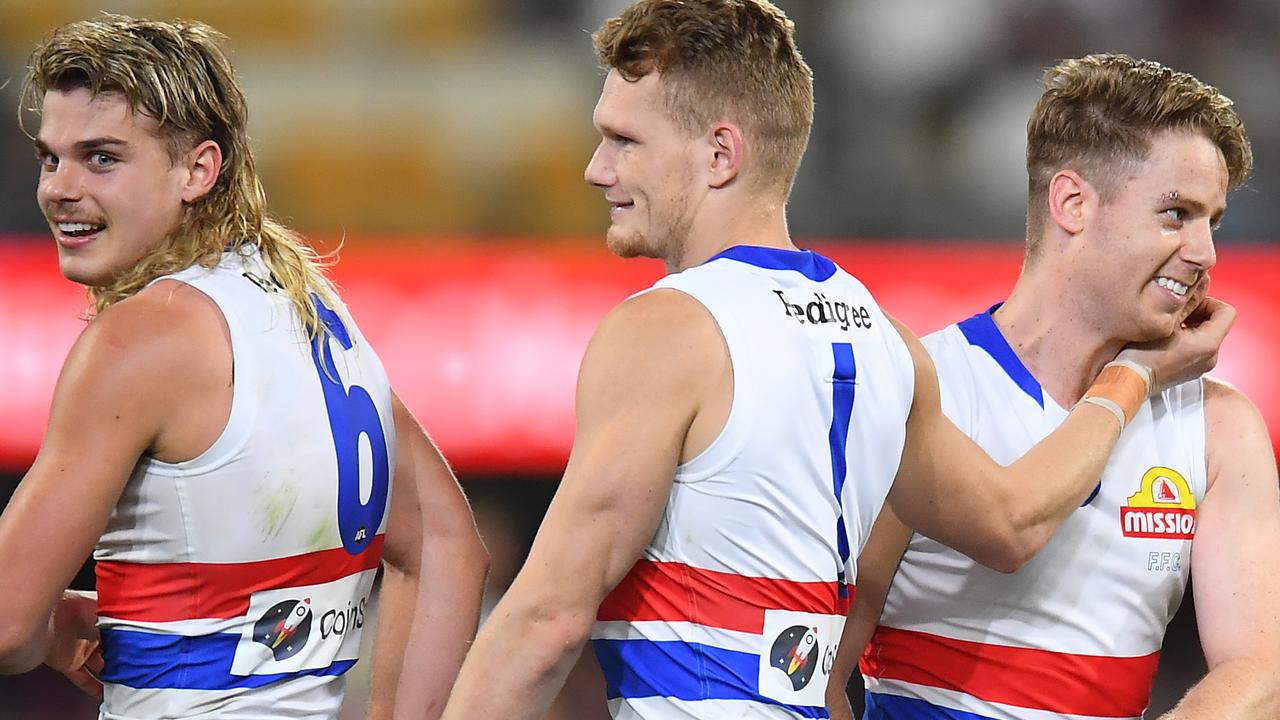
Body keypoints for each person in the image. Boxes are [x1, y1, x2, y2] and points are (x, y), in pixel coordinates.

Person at [439, 4, 1231, 720]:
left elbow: (547, 618)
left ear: (721, 152)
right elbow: (1009, 520)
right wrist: (1134, 378)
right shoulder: (880, 341)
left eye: (623, 140)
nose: (596, 168)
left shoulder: (669, 330)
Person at [0, 15, 488, 720]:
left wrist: (44, 631)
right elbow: (448, 548)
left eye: (101, 158)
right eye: (52, 158)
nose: (60, 188)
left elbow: (9, 628)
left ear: (198, 169)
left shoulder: (144, 336)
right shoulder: (307, 304)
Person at [829, 54, 1280, 720]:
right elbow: (820, 676)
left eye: (1210, 221)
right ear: (1072, 203)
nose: (1205, 253)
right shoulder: (927, 390)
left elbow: (1261, 669)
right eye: (1175, 213)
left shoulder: (1219, 426)